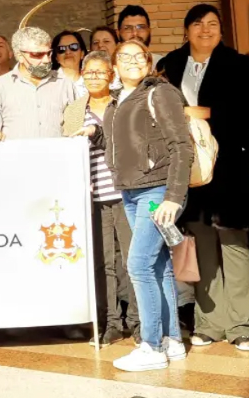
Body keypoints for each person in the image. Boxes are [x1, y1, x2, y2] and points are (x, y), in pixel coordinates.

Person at [157, 4, 249, 352]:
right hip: (189, 170)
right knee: (203, 243)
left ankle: (243, 325)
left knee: (233, 243)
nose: (205, 29)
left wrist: (211, 114)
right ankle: (210, 323)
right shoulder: (171, 65)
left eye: (213, 24)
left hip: (230, 168)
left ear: (221, 30)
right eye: (197, 24)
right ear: (186, 30)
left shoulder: (237, 64)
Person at [80, 40, 193, 372]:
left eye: (137, 56)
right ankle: (172, 341)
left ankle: (152, 346)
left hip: (157, 190)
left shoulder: (160, 93)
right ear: (115, 66)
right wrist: (95, 133)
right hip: (130, 191)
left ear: (147, 63)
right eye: (123, 56)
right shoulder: (117, 102)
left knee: (139, 265)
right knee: (159, 266)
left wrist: (174, 196)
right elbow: (125, 144)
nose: (131, 60)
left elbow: (180, 145)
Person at [63, 51, 138, 347]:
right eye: (89, 72)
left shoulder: (123, 104)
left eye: (100, 72)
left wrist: (98, 131)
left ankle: (138, 321)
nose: (94, 77)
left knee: (134, 260)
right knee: (103, 263)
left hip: (125, 194)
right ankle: (110, 323)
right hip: (92, 199)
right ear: (82, 76)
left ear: (112, 75)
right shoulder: (73, 111)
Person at [0, 27, 75, 139]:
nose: (46, 60)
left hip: (56, 155)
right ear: (20, 56)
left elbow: (76, 131)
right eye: (38, 54)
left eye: (49, 53)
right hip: (16, 155)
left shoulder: (64, 84)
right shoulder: (1, 86)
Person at [53, 30, 88, 99]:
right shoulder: (48, 83)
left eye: (74, 47)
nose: (68, 52)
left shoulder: (92, 80)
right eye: (61, 49)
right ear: (56, 57)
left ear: (82, 54)